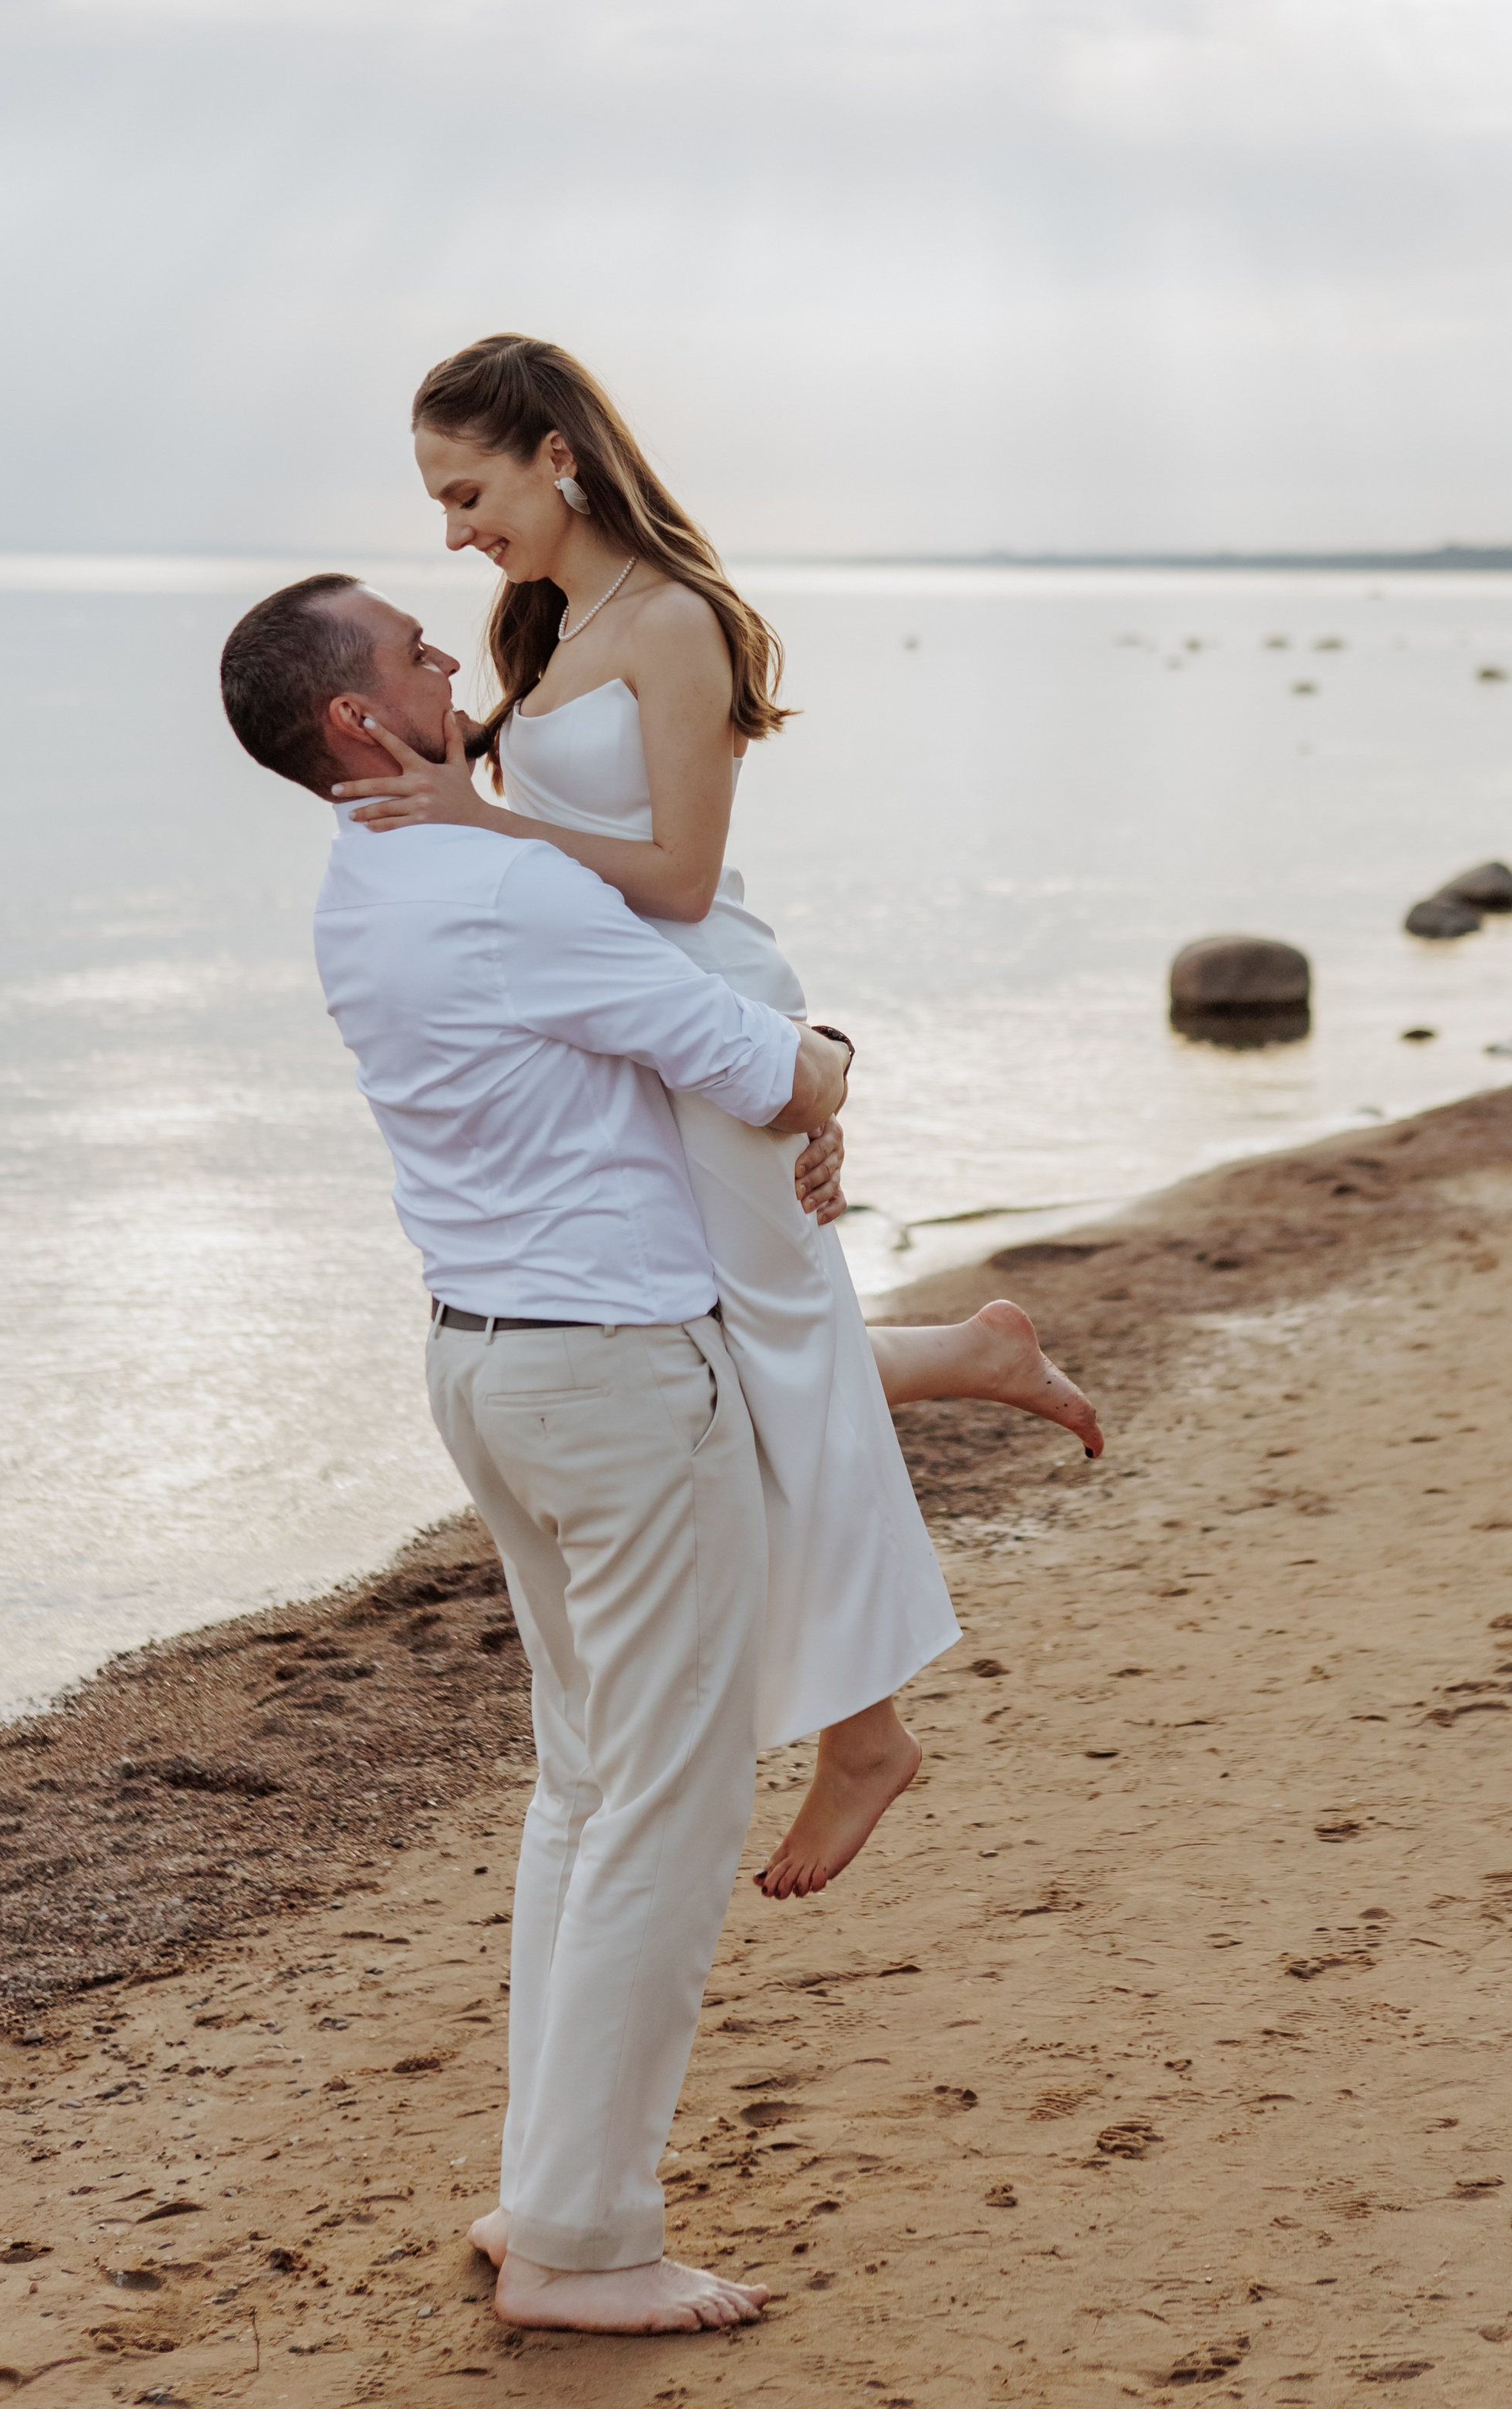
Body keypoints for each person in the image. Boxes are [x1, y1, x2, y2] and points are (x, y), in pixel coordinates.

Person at [332, 332, 1101, 1900]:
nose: (453, 527)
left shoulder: (674, 621)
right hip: (644, 1032)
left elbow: (680, 880)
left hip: (707, 1009)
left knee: (774, 1348)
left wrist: (489, 819)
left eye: (463, 487)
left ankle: (866, 1732)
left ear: (554, 450)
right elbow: (510, 858)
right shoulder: (538, 625)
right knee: (743, 1342)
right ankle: (964, 1358)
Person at [220, 569, 847, 2334]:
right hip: (615, 1385)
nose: (449, 658)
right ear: (359, 721)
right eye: (413, 652)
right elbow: (767, 1073)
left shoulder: (363, 887)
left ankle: (547, 2195)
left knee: (584, 1795)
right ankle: (583, 2240)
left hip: (485, 1371)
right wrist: (837, 1051)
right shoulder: (499, 884)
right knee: (661, 1798)